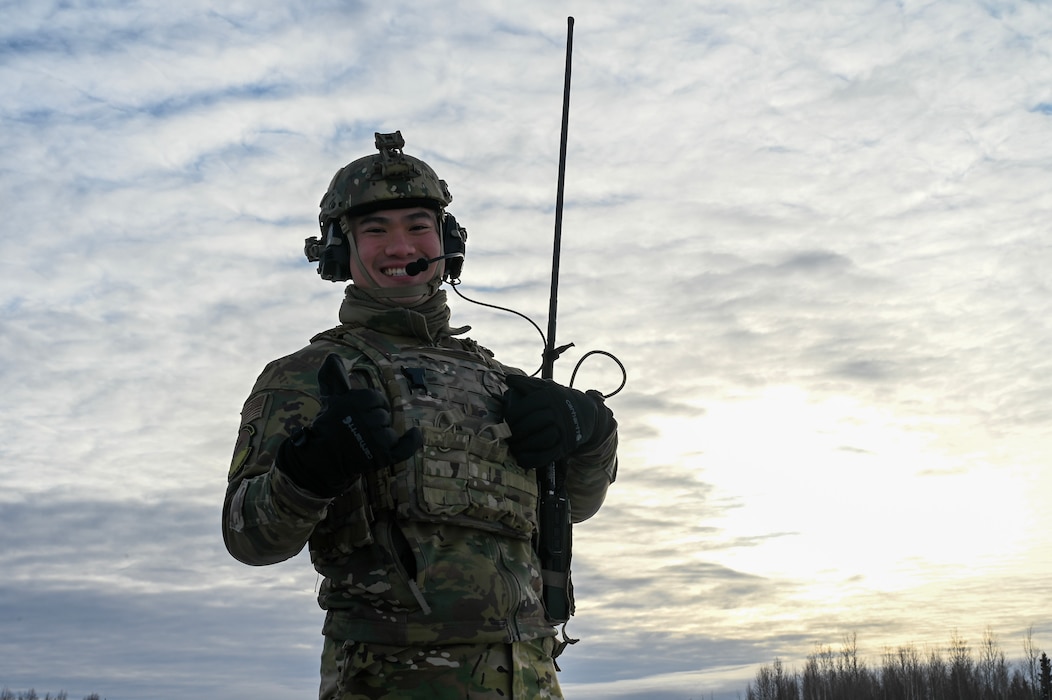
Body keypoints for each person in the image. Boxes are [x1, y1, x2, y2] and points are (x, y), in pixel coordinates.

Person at [222, 131, 618, 699]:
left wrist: (592, 433)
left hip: (529, 676)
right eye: (375, 230)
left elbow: (576, 505)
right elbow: (248, 538)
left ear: (447, 241)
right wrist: (310, 470)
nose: (400, 245)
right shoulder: (311, 374)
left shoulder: (503, 382)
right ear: (342, 250)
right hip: (386, 678)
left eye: (417, 225)